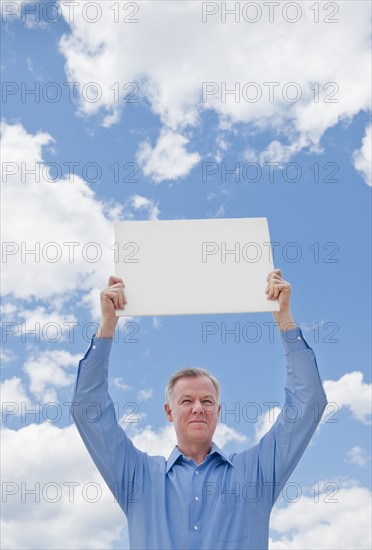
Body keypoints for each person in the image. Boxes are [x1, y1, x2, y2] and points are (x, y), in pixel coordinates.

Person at [71, 269, 328, 550]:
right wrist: (108, 325)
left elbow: (308, 404)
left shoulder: (255, 474)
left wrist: (285, 320)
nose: (198, 409)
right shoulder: (139, 477)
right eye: (186, 401)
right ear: (168, 412)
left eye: (207, 402)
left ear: (218, 411)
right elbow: (89, 410)